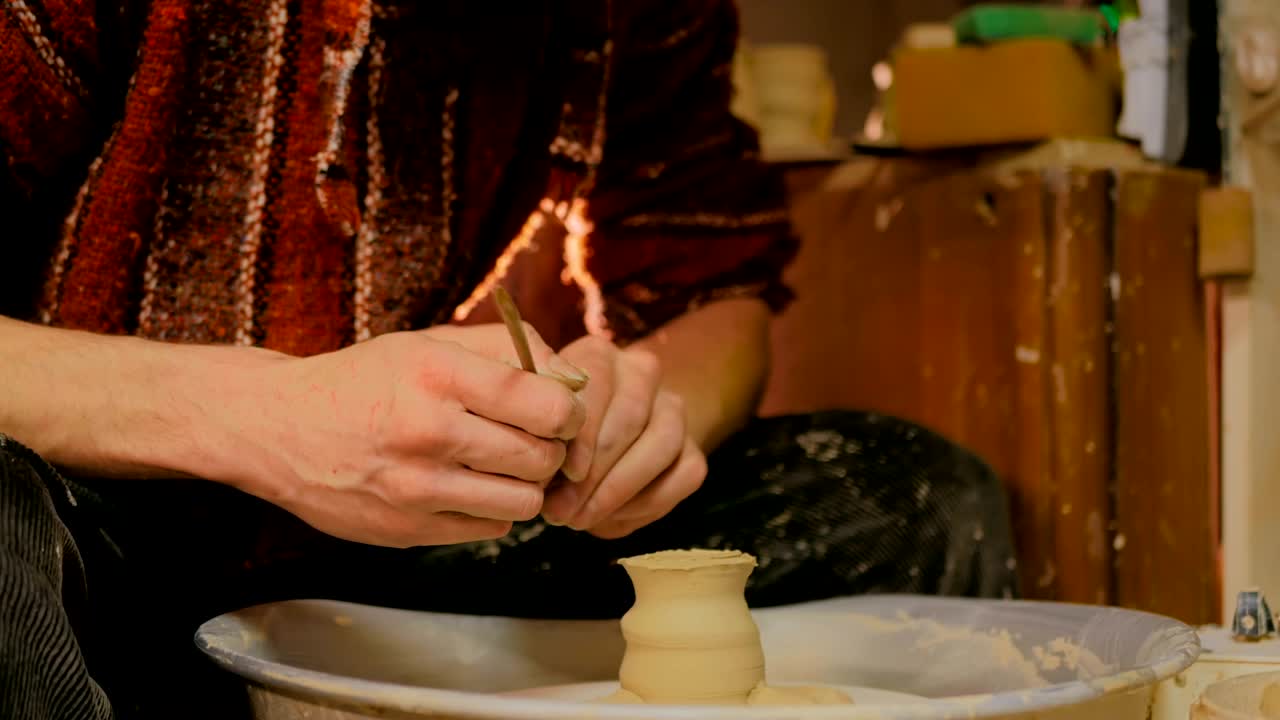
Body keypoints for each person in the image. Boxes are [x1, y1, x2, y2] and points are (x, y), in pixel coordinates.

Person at [0, 1, 1019, 718]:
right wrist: (258, 417)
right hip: (86, 540)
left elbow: (711, 283)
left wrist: (649, 416)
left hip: (387, 555)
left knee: (911, 498)